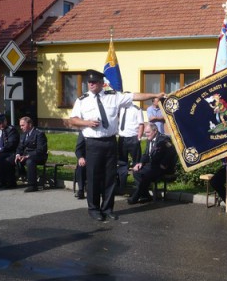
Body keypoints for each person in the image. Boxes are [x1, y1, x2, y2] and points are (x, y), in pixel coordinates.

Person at [69, 69, 164, 222]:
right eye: (89, 82)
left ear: (102, 83)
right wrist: (87, 123)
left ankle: (107, 209)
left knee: (110, 178)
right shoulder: (82, 100)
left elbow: (135, 96)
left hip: (110, 142)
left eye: (94, 82)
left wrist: (154, 95)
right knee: (93, 177)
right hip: (93, 143)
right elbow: (73, 120)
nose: (91, 84)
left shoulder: (113, 97)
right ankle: (94, 209)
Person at [128, 122, 177, 205]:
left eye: (148, 132)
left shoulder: (164, 139)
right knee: (136, 171)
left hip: (161, 167)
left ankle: (135, 197)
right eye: (145, 133)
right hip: (151, 165)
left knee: (146, 175)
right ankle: (146, 195)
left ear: (155, 131)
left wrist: (163, 164)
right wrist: (140, 163)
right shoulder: (149, 140)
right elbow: (146, 154)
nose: (146, 135)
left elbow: (172, 152)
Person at [15, 116, 48, 192]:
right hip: (26, 155)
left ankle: (32, 185)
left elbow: (41, 150)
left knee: (30, 161)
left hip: (39, 156)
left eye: (23, 125)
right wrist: (18, 155)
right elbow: (20, 147)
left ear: (30, 124)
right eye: (20, 125)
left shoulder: (39, 134)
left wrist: (27, 156)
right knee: (11, 158)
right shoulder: (23, 134)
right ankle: (9, 181)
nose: (21, 127)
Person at [117, 102, 144, 194]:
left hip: (133, 138)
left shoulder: (136, 109)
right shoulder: (120, 108)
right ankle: (122, 186)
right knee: (122, 163)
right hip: (122, 138)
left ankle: (138, 188)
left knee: (136, 163)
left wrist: (139, 138)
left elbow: (141, 124)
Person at [0, 114, 20, 189]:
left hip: (10, 151)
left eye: (1, 123)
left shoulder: (11, 130)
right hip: (0, 152)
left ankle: (9, 182)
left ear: (5, 121)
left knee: (2, 158)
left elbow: (10, 144)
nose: (0, 125)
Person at [74, 131, 86, 199]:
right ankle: (81, 190)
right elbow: (78, 149)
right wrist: (81, 158)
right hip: (85, 158)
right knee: (81, 166)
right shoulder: (83, 132)